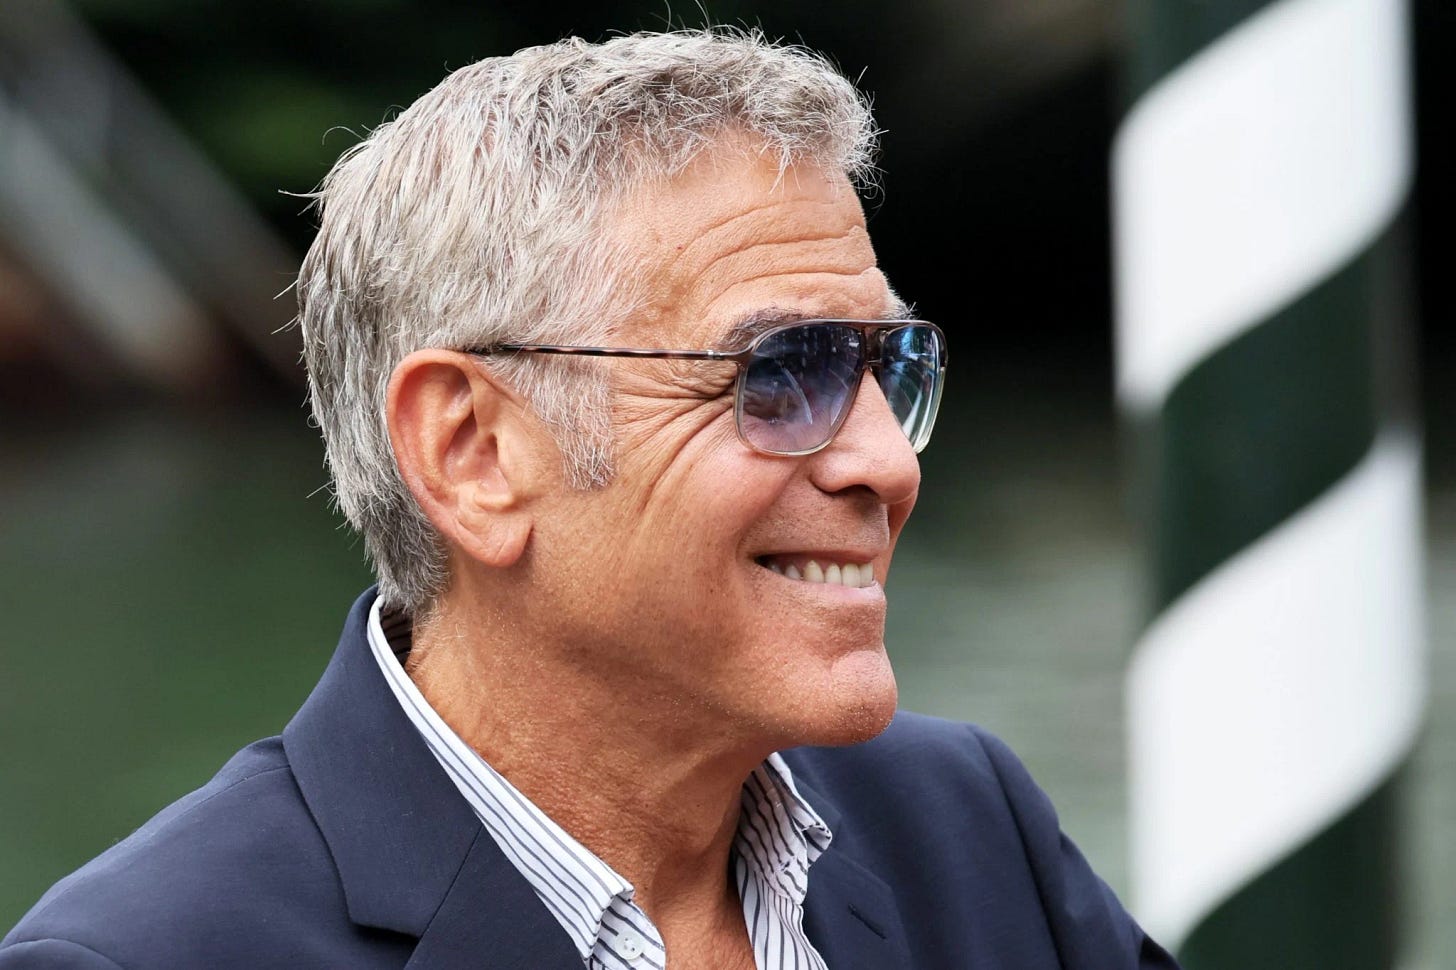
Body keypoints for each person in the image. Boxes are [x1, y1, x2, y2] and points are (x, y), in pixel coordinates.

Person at [2, 30, 1177, 970]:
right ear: (472, 452)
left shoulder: (964, 827)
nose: (886, 461)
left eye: (889, 367)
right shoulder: (150, 953)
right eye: (782, 372)